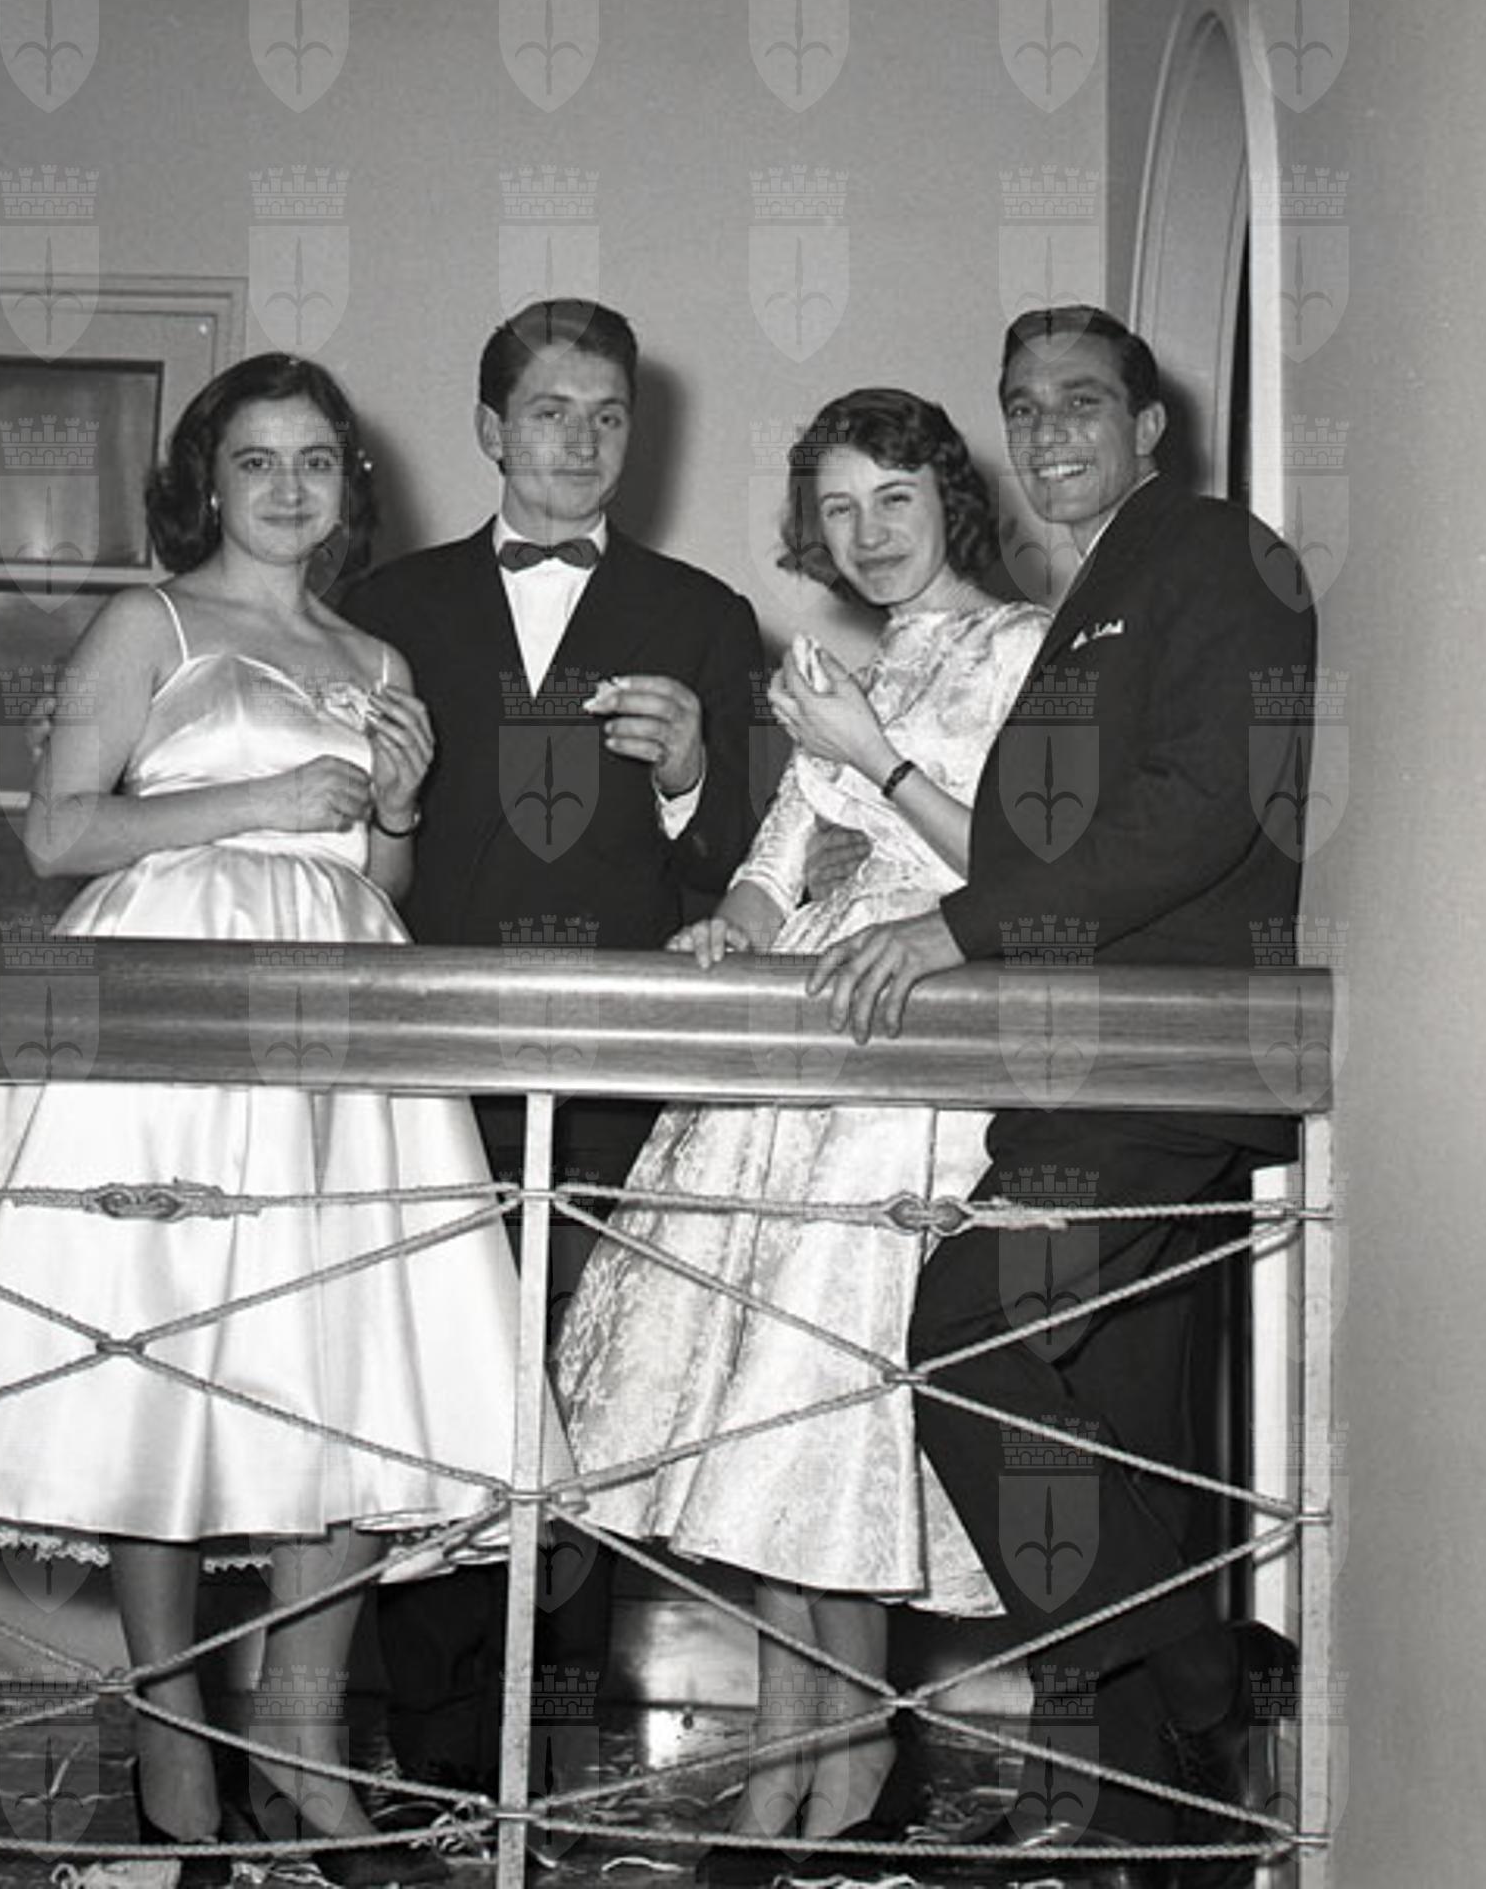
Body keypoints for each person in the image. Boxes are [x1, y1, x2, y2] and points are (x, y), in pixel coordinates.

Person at [0, 353, 555, 1888]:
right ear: (207, 479)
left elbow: (379, 879)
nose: (286, 487)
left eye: (315, 460)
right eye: (255, 459)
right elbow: (58, 833)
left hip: (341, 1024)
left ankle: (307, 1759)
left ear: (349, 485)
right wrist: (254, 806)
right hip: (170, 1007)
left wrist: (395, 809)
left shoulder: (375, 654)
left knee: (343, 1364)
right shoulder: (151, 623)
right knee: (164, 1361)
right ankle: (172, 1750)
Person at [809, 310, 1316, 1889]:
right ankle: (1155, 1825)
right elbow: (1059, 837)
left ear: (1149, 427)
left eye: (1080, 403)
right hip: (1079, 1063)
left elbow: (1203, 806)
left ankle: (1206, 1675)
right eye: (1021, 408)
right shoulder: (1091, 591)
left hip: (1155, 1060)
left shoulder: (1213, 554)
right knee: (1129, 1427)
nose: (1045, 434)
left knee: (966, 1346)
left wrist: (954, 926)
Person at [553, 389, 1050, 1882]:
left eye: (892, 498)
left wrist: (872, 755)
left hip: (915, 1048)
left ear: (948, 499)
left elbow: (1028, 866)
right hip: (792, 1060)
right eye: (836, 508)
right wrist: (735, 923)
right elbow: (778, 864)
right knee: (762, 1438)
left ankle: (841, 1764)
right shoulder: (840, 667)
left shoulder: (1026, 647)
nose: (865, 533)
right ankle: (806, 1762)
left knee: (838, 1414)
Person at [343, 299, 765, 1797]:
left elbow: (749, 866)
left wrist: (693, 774)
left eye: (607, 416)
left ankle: (553, 1765)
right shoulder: (383, 605)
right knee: (432, 1389)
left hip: (612, 1066)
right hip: (424, 1060)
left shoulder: (706, 614)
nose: (581, 443)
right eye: (549, 412)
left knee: (582, 1402)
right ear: (489, 428)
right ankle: (436, 1759)